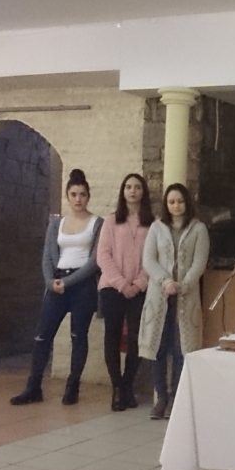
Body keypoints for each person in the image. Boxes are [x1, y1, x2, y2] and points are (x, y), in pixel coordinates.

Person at [11, 169, 103, 405]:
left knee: (78, 336)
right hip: (57, 282)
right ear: (67, 196)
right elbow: (47, 256)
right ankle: (33, 387)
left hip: (82, 285)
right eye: (74, 194)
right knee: (42, 335)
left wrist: (68, 282)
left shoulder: (97, 223)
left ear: (88, 196)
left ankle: (72, 387)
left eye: (82, 194)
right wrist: (50, 281)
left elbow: (94, 262)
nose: (78, 199)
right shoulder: (56, 224)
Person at [139, 183, 209, 419]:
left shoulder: (198, 229)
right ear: (166, 204)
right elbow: (149, 260)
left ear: (186, 203)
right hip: (160, 296)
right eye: (171, 202)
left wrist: (184, 284)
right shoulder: (156, 228)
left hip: (185, 297)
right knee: (159, 347)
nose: (176, 206)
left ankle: (176, 397)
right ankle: (161, 398)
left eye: (180, 201)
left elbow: (199, 262)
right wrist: (165, 281)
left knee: (181, 349)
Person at [97, 173, 154, 411]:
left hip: (140, 290)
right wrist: (122, 284)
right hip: (112, 288)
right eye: (128, 187)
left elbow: (154, 257)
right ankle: (117, 388)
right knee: (111, 336)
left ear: (143, 192)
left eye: (137, 187)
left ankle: (128, 384)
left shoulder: (152, 223)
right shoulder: (111, 221)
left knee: (136, 339)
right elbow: (103, 256)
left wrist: (138, 284)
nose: (132, 191)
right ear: (123, 191)